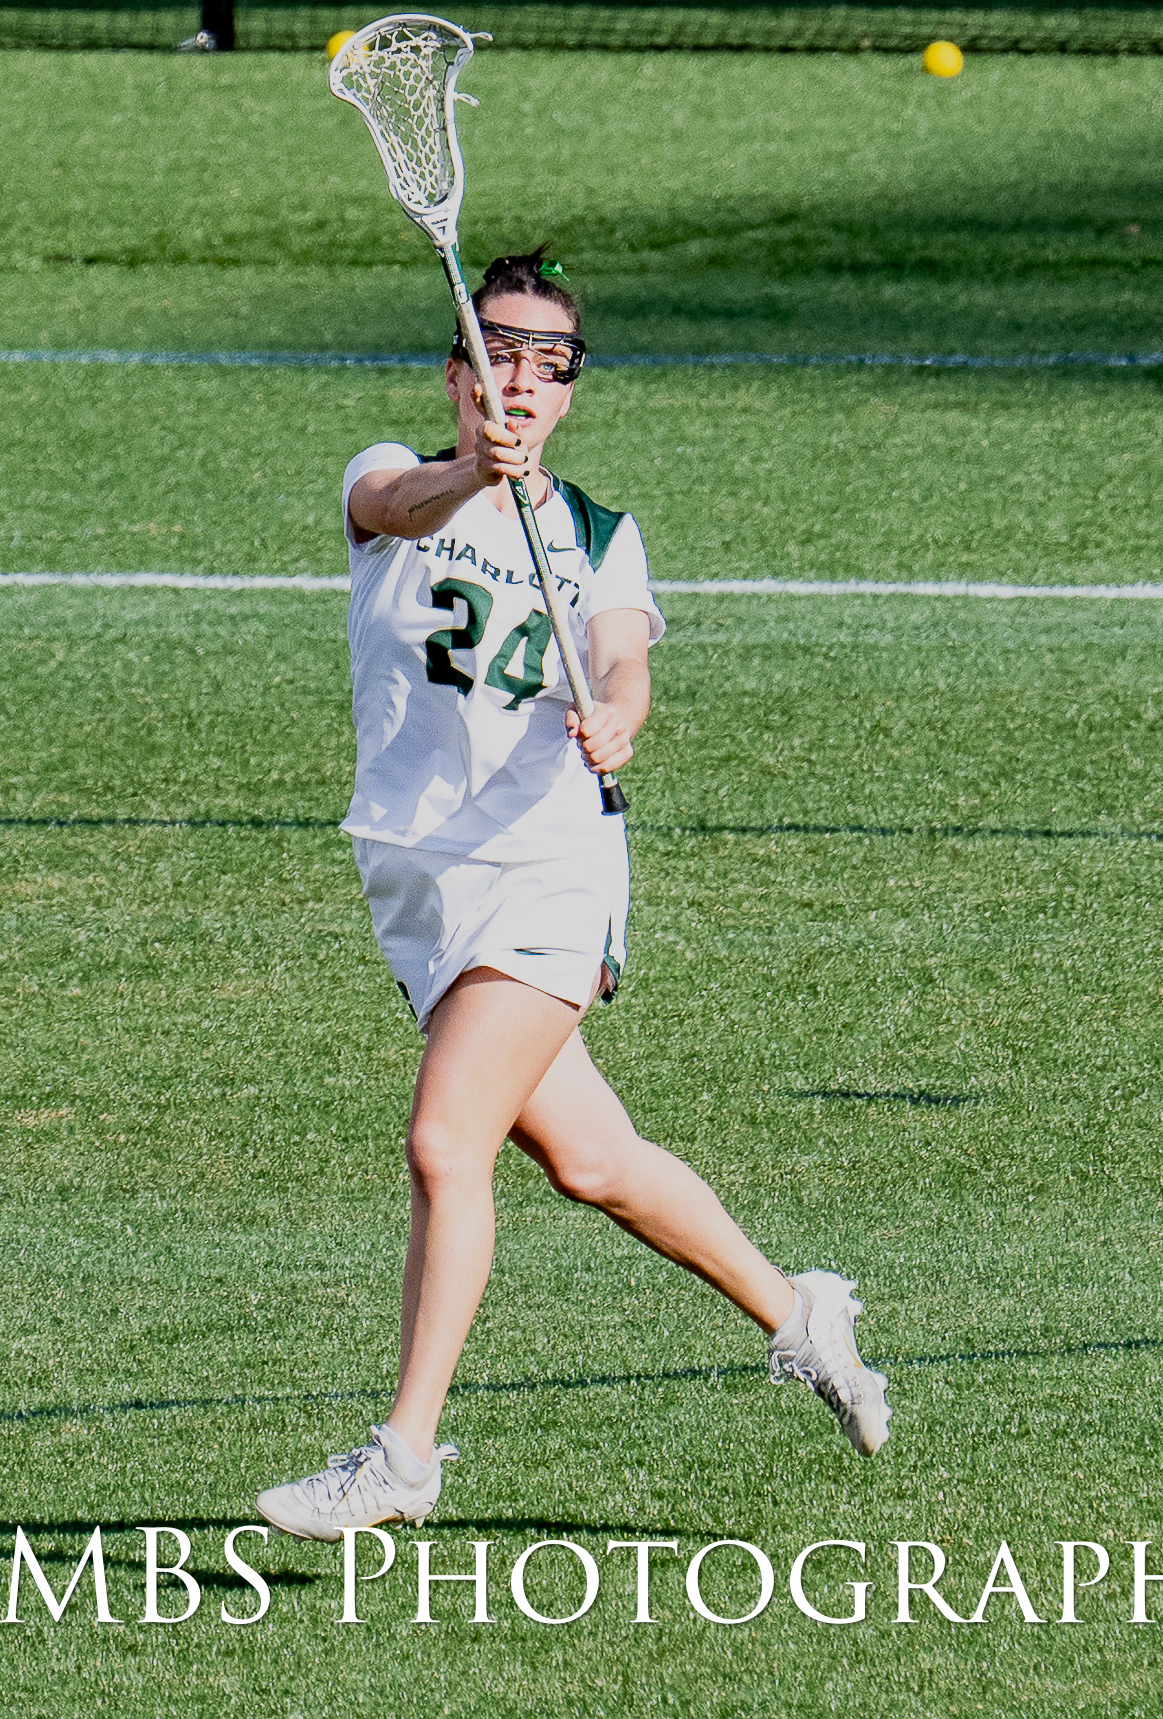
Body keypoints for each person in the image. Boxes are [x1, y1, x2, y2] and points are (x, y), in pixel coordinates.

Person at [256, 249, 889, 1541]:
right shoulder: (393, 477)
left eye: (552, 364)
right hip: (418, 882)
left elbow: (622, 656)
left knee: (447, 1144)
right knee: (591, 1162)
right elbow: (396, 504)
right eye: (501, 355)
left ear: (569, 389)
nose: (526, 381)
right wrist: (472, 475)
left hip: (546, 870)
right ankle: (801, 1313)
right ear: (458, 374)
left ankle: (403, 1458)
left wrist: (620, 716)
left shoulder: (599, 534)